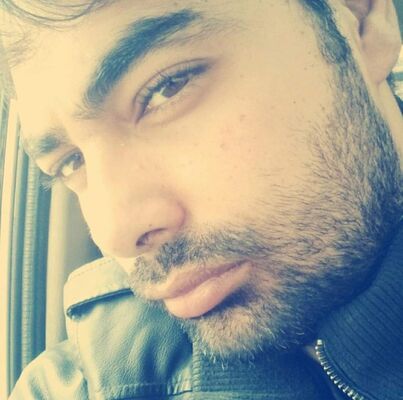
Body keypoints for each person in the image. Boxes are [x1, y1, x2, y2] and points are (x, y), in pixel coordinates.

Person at [1, 0, 402, 398]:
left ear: (360, 20)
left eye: (166, 89)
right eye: (70, 162)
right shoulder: (72, 387)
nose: (115, 233)